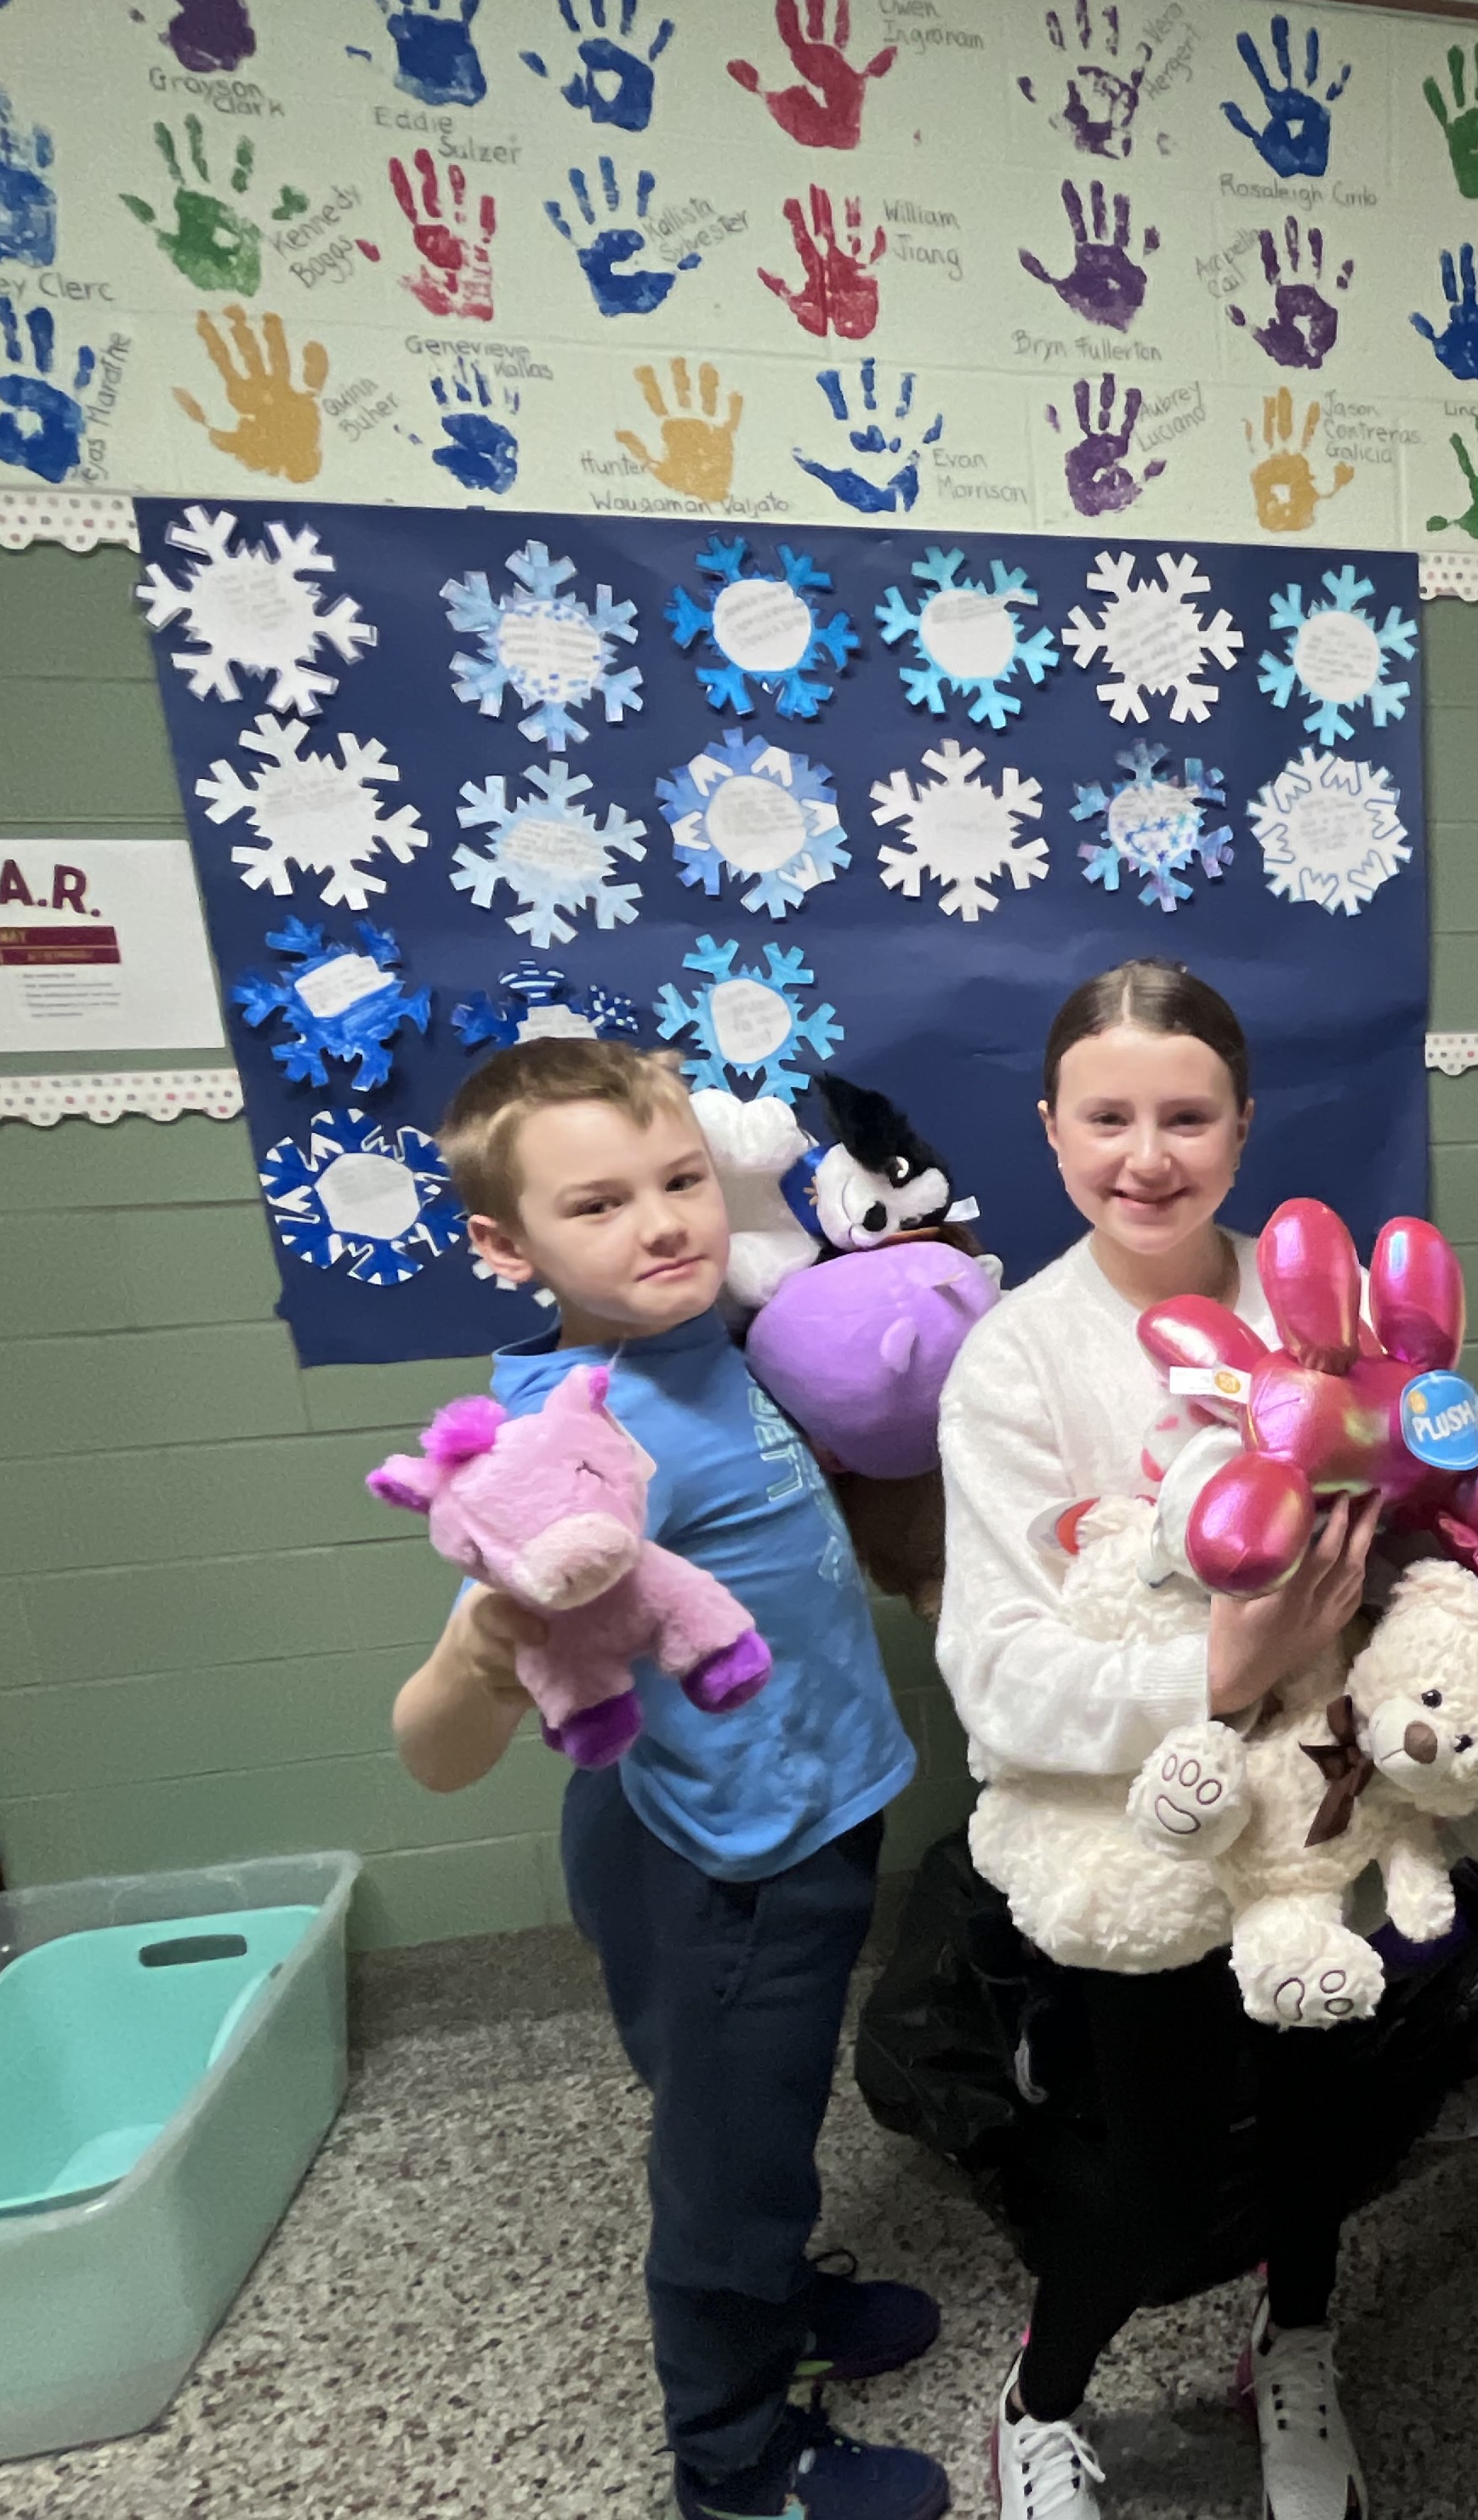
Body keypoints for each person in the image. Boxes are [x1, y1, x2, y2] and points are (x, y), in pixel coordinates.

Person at [389, 1040, 943, 2520]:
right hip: (712, 1864)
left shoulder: (710, 1339)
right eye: (601, 1205)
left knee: (766, 2109)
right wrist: (480, 1652)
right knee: (725, 2164)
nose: (664, 1223)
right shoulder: (560, 1445)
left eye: (683, 1180)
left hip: (807, 1808)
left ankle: (786, 2303)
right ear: (508, 1246)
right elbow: (435, 1754)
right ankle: (736, 2460)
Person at [932, 958, 1383, 2520]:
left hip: (1332, 1807)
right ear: (1051, 1131)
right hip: (1141, 1835)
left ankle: (1301, 2341)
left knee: (1331, 2118)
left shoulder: (1324, 1312)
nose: (1149, 1153)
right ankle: (1041, 2399)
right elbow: (996, 1674)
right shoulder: (1015, 1359)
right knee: (1166, 2176)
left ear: (1243, 1130)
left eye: (1185, 1116)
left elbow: (1438, 1478)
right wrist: (1217, 1664)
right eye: (1108, 1117)